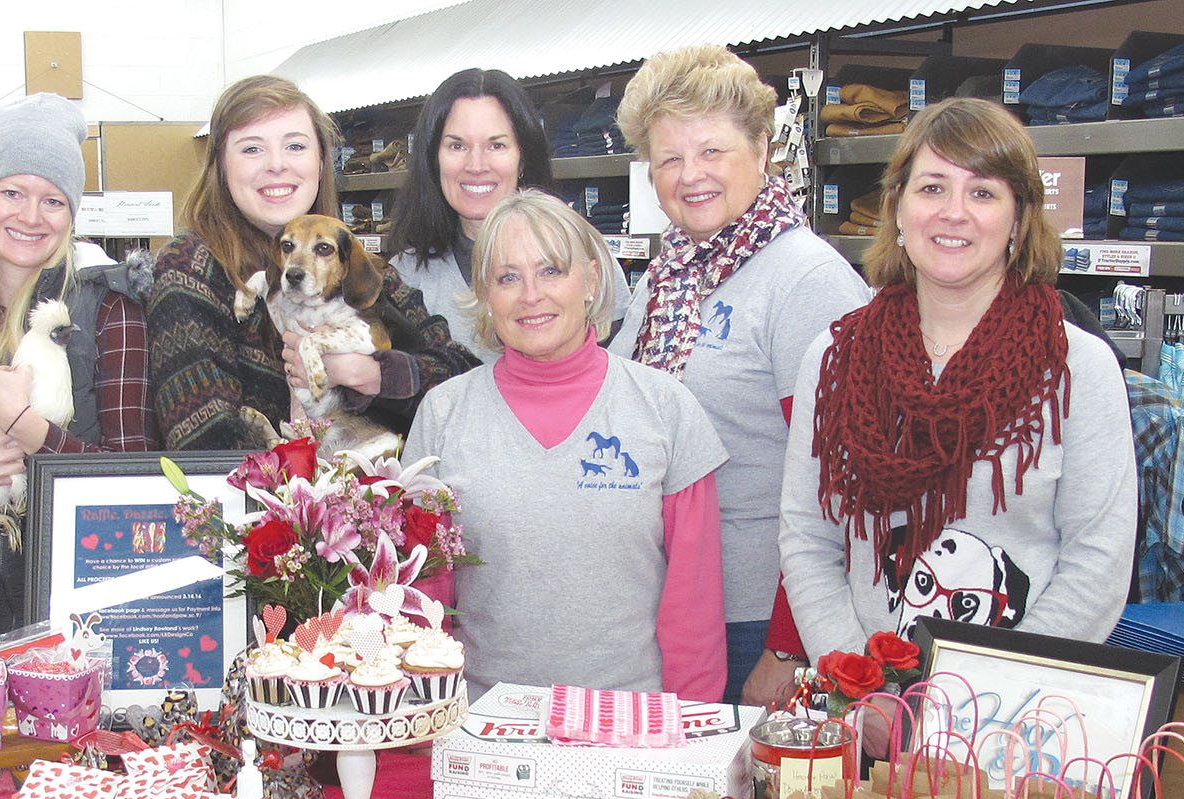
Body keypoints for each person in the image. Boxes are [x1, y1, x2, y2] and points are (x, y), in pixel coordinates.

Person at [778, 98, 1136, 755]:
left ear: (1019, 218)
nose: (953, 212)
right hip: (870, 725)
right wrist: (860, 686)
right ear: (897, 207)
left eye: (983, 192)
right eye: (932, 187)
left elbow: (1099, 561)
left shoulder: (1078, 369)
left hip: (1020, 730)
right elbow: (807, 538)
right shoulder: (835, 360)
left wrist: (992, 698)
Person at [609, 45, 873, 707]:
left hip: (756, 622)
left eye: (712, 151)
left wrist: (788, 648)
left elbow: (845, 482)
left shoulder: (806, 280)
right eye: (669, 159)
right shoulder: (671, 275)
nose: (690, 175)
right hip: (670, 606)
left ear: (761, 149)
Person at [402, 190, 728, 700]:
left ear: (591, 280)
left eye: (551, 270)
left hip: (629, 719)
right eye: (508, 277)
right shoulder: (443, 415)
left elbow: (695, 603)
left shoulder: (665, 408)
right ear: (486, 295)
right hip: (480, 721)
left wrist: (687, 724)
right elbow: (422, 602)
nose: (531, 295)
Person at [0, 92, 155, 632]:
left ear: (72, 213)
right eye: (12, 192)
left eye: (53, 200)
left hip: (92, 611)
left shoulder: (110, 310)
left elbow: (136, 480)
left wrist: (28, 430)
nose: (30, 216)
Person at [150, 74, 478, 450]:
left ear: (321, 162)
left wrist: (373, 376)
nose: (277, 165)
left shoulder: (359, 266)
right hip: (265, 488)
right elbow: (201, 440)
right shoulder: (191, 267)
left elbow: (464, 383)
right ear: (220, 167)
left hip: (375, 480)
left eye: (295, 145)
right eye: (252, 149)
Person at [388, 68, 627, 360]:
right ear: (433, 158)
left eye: (496, 145)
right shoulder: (405, 278)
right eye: (457, 145)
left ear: (522, 156)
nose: (476, 165)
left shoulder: (585, 252)